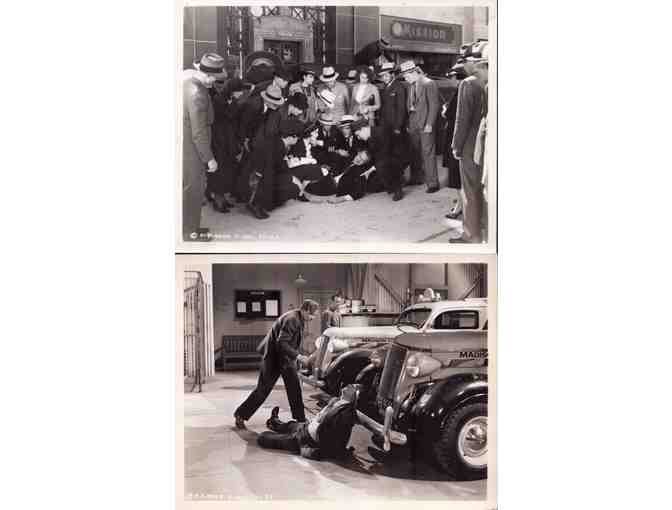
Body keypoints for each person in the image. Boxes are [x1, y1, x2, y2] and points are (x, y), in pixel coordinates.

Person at [235, 299, 321, 429]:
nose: (313, 318)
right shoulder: (292, 319)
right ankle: (241, 415)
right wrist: (298, 356)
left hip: (285, 359)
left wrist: (297, 357)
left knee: (294, 388)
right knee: (263, 389)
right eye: (312, 315)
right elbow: (282, 343)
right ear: (306, 310)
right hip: (273, 359)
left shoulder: (299, 318)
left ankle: (301, 420)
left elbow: (292, 342)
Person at [182, 52, 226, 241]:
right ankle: (189, 232)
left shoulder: (191, 83)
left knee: (192, 189)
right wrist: (209, 159)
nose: (213, 82)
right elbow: (198, 131)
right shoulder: (198, 93)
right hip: (193, 149)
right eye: (213, 78)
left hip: (190, 145)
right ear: (206, 75)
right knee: (193, 189)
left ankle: (190, 227)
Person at [257, 384, 360, 460]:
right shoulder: (337, 401)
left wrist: (312, 450)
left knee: (263, 437)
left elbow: (335, 438)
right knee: (290, 425)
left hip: (307, 438)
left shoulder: (346, 412)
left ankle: (275, 425)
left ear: (354, 395)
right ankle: (274, 422)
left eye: (353, 387)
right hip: (307, 428)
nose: (349, 386)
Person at [450, 57, 485, 243]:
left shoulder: (468, 83)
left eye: (465, 61)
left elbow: (461, 119)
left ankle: (471, 234)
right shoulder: (487, 81)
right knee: (483, 189)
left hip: (470, 145)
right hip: (485, 144)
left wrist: (456, 145)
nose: (463, 65)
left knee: (469, 191)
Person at [245, 118, 304, 219]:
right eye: (297, 137)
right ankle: (257, 205)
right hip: (256, 179)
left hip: (256, 174)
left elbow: (281, 166)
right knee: (293, 189)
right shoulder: (277, 148)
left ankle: (260, 202)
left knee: (290, 182)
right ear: (291, 137)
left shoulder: (277, 142)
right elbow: (267, 174)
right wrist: (293, 179)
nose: (298, 140)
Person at [207, 77, 247, 213]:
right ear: (232, 90)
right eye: (239, 91)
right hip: (219, 140)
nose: (241, 94)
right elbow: (226, 116)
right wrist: (235, 105)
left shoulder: (231, 100)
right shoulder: (218, 100)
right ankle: (218, 201)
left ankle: (223, 197)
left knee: (227, 169)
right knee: (219, 170)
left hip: (228, 139)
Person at [400, 60, 441, 193]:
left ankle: (433, 183)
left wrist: (429, 124)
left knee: (428, 153)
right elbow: (410, 106)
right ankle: (416, 177)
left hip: (425, 123)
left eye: (406, 76)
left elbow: (434, 106)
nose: (405, 79)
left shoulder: (429, 83)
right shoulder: (410, 85)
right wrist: (409, 124)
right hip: (413, 123)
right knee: (414, 151)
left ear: (413, 72)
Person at [352, 118, 404, 201]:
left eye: (358, 134)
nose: (358, 138)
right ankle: (391, 185)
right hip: (386, 157)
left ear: (364, 129)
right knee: (374, 181)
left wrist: (372, 168)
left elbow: (385, 154)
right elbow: (373, 152)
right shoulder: (370, 136)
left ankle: (397, 188)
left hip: (399, 158)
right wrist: (362, 158)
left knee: (381, 166)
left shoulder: (382, 132)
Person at [378, 62, 409, 170]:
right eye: (382, 76)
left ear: (392, 74)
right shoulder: (385, 88)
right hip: (386, 126)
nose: (384, 78)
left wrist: (398, 127)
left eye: (386, 75)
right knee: (388, 151)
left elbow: (401, 109)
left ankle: (399, 176)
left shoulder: (399, 87)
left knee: (398, 152)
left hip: (395, 127)